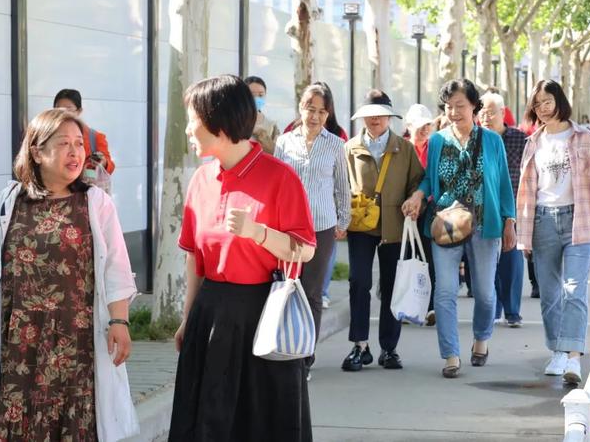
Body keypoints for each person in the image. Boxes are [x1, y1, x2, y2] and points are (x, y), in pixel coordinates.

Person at [0, 108, 139, 441]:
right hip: (20, 345)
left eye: (79, 143)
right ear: (36, 151)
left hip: (77, 346)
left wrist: (120, 323)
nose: (75, 152)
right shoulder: (6, 203)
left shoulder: (96, 203)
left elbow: (115, 269)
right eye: (64, 143)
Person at [169, 75, 316, 442]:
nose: (188, 128)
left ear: (218, 123)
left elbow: (306, 250)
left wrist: (259, 233)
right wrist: (188, 318)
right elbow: (195, 260)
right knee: (207, 420)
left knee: (261, 422)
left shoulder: (279, 177)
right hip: (211, 314)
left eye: (193, 119)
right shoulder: (201, 180)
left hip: (262, 315)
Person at [402, 79, 516, 379]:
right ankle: (451, 355)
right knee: (445, 292)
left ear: (474, 106)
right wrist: (417, 195)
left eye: (460, 106)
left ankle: (481, 339)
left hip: (484, 225)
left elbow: (504, 184)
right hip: (445, 225)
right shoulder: (438, 141)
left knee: (484, 293)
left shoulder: (492, 141)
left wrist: (509, 221)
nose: (453, 112)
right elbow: (429, 179)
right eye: (449, 107)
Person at [516, 79, 590, 383]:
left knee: (575, 290)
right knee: (550, 294)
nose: (543, 109)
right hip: (543, 220)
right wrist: (524, 234)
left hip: (577, 219)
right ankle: (556, 350)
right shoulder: (534, 142)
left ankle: (573, 358)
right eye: (537, 104)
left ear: (559, 101)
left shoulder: (583, 137)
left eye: (548, 102)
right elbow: (526, 192)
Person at [341, 90, 424, 372]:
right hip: (360, 225)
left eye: (379, 114)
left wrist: (414, 199)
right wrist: (341, 220)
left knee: (391, 287)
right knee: (358, 282)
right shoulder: (349, 148)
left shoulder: (405, 148)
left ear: (389, 117)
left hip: (395, 227)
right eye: (368, 115)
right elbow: (340, 187)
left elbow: (418, 182)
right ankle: (359, 345)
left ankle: (389, 348)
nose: (374, 119)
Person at [274, 84, 351, 376]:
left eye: (321, 111)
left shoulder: (335, 144)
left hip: (321, 226)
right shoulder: (284, 142)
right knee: (286, 288)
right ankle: (285, 348)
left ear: (327, 114)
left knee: (312, 293)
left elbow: (343, 187)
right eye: (310, 109)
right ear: (300, 109)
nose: (315, 116)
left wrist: (343, 221)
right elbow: (277, 185)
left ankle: (306, 356)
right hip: (288, 228)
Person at [479, 92, 527, 328]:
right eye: (482, 112)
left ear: (502, 112)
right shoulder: (476, 139)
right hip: (483, 208)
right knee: (487, 262)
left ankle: (512, 311)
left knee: (511, 259)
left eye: (490, 112)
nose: (485, 117)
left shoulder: (520, 139)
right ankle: (493, 308)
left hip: (512, 208)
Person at [404, 103, 437, 325]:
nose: (425, 130)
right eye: (420, 126)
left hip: (430, 210)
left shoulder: (434, 147)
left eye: (428, 125)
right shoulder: (402, 148)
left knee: (429, 259)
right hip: (404, 212)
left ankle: (430, 307)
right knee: (406, 258)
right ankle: (406, 305)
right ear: (409, 126)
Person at [53, 88, 116, 185]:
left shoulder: (94, 137)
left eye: (68, 110)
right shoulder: (48, 135)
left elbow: (110, 167)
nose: (63, 115)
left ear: (79, 111)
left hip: (86, 192)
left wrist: (103, 163)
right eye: (59, 110)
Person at [283, 81, 349, 142]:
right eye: (311, 110)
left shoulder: (339, 135)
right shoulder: (292, 129)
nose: (315, 117)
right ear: (302, 107)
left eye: (321, 111)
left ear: (329, 110)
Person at [244, 76, 280, 154]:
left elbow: (276, 153)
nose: (256, 98)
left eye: (260, 95)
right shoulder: (233, 122)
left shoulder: (271, 124)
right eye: (251, 95)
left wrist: (260, 133)